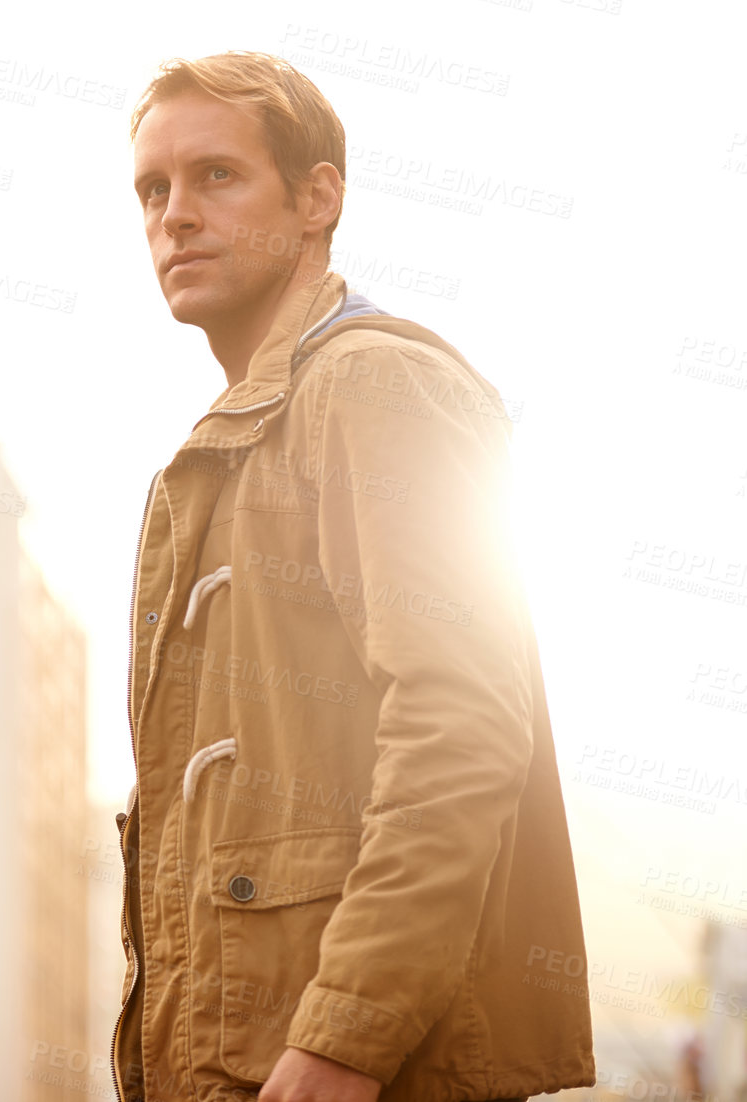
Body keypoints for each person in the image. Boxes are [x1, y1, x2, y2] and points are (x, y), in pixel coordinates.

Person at [109, 51, 596, 1102]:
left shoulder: (373, 386)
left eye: (215, 176)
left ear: (317, 195)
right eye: (154, 189)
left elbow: (460, 720)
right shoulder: (234, 440)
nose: (175, 214)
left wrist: (343, 1038)